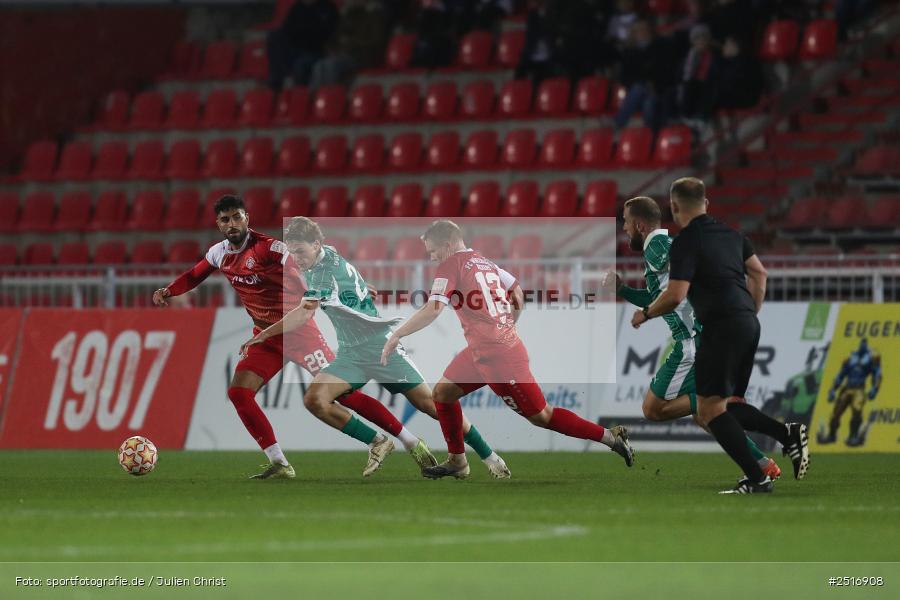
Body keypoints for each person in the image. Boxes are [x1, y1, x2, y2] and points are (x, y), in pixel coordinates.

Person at [153, 195, 433, 479]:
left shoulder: (270, 248)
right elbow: (194, 275)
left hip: (299, 333)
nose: (232, 223)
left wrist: (350, 286)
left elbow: (308, 266)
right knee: (239, 393)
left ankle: (410, 441)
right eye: (225, 219)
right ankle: (279, 462)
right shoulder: (218, 253)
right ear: (218, 224)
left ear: (247, 218)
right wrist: (169, 291)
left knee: (344, 393)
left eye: (237, 216)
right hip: (265, 337)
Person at [241, 217, 511, 479]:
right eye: (292, 253)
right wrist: (359, 287)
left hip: (380, 346)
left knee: (432, 405)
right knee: (315, 399)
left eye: (300, 251)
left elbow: (303, 314)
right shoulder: (327, 254)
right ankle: (378, 442)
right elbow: (344, 273)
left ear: (315, 244)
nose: (297, 258)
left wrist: (264, 335)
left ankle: (489, 456)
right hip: (350, 353)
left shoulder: (323, 273)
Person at [381, 220, 635, 480]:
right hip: (483, 350)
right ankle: (457, 460)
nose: (432, 258)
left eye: (433, 251)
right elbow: (516, 291)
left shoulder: (450, 264)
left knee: (542, 416)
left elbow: (434, 308)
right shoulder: (485, 262)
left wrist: (398, 334)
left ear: (447, 245)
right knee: (443, 393)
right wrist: (507, 323)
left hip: (499, 357)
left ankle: (609, 437)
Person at [631, 178, 809, 493]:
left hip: (719, 327)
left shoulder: (685, 242)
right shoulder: (733, 235)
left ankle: (761, 474)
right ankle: (780, 443)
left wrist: (644, 314)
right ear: (707, 203)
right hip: (749, 324)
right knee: (721, 406)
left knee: (710, 409)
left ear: (673, 207)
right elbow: (760, 274)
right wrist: (749, 311)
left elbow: (675, 295)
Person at [609, 196, 781, 480]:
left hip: (690, 342)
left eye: (626, 222)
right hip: (700, 338)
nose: (624, 228)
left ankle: (712, 400)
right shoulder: (660, 250)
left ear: (639, 225)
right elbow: (658, 296)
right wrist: (623, 290)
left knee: (654, 408)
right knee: (705, 418)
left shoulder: (657, 246)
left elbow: (677, 284)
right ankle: (761, 464)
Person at [819, 338, 881, 446]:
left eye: (865, 343)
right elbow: (840, 375)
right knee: (836, 412)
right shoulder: (851, 357)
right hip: (847, 388)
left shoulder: (871, 357)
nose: (863, 345)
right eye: (862, 342)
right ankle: (831, 435)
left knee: (857, 411)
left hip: (859, 389)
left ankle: (853, 436)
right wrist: (833, 389)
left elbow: (877, 374)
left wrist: (874, 389)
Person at [266, 0, 339, 89]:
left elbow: (327, 34)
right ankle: (276, 85)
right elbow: (287, 30)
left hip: (316, 51)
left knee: (300, 65)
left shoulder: (328, 8)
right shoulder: (297, 7)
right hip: (296, 50)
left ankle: (301, 96)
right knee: (275, 37)